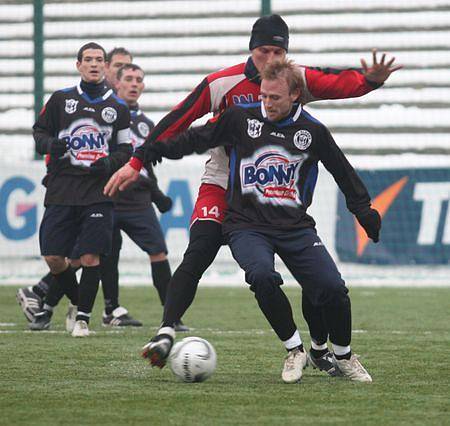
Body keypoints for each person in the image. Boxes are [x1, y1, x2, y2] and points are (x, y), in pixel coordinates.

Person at [104, 14, 401, 372]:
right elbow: (178, 121)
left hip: (280, 193)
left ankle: (321, 348)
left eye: (278, 51)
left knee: (317, 279)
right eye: (264, 50)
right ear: (251, 49)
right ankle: (166, 330)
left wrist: (368, 82)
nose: (271, 59)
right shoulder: (221, 83)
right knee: (200, 250)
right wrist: (138, 160)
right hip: (223, 184)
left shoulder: (295, 79)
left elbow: (339, 83)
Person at [144, 59, 380, 382]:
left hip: (295, 227)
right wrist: (158, 148)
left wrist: (364, 212)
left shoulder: (313, 131)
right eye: (264, 96)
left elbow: (343, 172)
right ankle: (294, 350)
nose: (266, 103)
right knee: (262, 276)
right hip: (246, 225)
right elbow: (199, 138)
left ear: (295, 94)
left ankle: (344, 356)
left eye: (275, 98)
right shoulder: (240, 118)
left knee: (333, 289)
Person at [17, 47, 139, 328]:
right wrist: (49, 144)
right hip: (62, 187)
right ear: (78, 65)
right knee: (53, 256)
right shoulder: (61, 99)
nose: (94, 65)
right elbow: (39, 133)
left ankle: (81, 317)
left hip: (98, 190)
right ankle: (76, 300)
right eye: (89, 60)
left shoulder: (117, 107)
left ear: (105, 65)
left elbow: (125, 150)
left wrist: (109, 163)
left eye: (99, 60)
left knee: (89, 255)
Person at [100, 63, 188, 330]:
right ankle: (105, 309)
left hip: (138, 203)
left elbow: (146, 163)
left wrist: (157, 194)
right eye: (129, 79)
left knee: (158, 251)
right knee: (93, 256)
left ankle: (171, 316)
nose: (134, 84)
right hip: (108, 196)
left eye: (139, 79)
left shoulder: (147, 124)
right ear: (117, 83)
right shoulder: (104, 115)